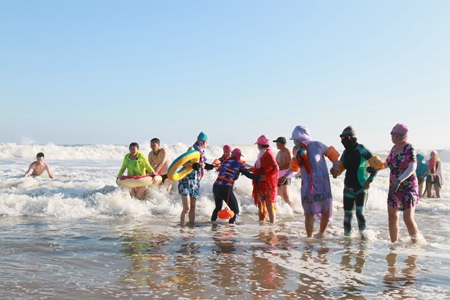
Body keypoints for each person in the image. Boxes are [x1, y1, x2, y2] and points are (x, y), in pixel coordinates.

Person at [279, 125, 340, 238]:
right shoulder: (298, 152)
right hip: (307, 186)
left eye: (296, 140)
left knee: (325, 210)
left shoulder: (317, 145)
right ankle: (309, 238)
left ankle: (321, 233)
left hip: (323, 186)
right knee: (308, 213)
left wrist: (336, 167)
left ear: (301, 138)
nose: (295, 143)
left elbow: (333, 155)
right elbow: (294, 168)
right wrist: (285, 177)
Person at [330, 126, 378, 238]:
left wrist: (370, 180)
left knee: (360, 213)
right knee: (347, 216)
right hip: (348, 187)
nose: (342, 141)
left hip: (361, 187)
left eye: (343, 138)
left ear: (350, 138)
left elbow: (376, 165)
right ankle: (347, 239)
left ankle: (364, 238)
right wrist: (334, 171)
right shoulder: (345, 153)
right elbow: (340, 169)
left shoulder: (362, 149)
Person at [383, 123, 420, 243]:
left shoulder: (410, 148)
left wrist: (399, 180)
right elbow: (387, 163)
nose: (391, 137)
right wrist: (374, 167)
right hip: (394, 186)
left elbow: (412, 167)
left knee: (407, 218)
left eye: (392, 135)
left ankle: (415, 244)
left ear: (398, 136)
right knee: (392, 217)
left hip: (408, 186)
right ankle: (394, 244)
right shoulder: (393, 149)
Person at [211, 148, 265, 224]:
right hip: (225, 188)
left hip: (215, 187)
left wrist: (243, 170)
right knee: (236, 211)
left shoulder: (225, 161)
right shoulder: (239, 164)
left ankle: (213, 226)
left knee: (218, 208)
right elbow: (249, 175)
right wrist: (261, 177)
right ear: (239, 156)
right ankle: (231, 228)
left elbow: (227, 170)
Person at [178, 132, 215, 227]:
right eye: (207, 142)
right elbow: (183, 163)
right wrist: (194, 165)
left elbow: (201, 165)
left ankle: (191, 229)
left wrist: (207, 166)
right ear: (203, 142)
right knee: (186, 208)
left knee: (193, 208)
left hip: (195, 181)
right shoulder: (192, 149)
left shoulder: (202, 152)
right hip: (186, 180)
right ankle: (182, 230)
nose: (207, 145)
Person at [251, 135, 279, 224]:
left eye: (258, 144)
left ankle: (272, 226)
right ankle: (262, 224)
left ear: (260, 145)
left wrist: (266, 176)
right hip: (261, 184)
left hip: (268, 184)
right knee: (261, 205)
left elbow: (276, 168)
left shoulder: (268, 154)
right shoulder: (261, 154)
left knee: (269, 205)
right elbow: (261, 168)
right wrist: (251, 170)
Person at [273, 136, 293, 207]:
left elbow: (291, 164)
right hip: (278, 176)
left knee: (286, 197)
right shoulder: (278, 153)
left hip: (285, 175)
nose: (276, 145)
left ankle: (292, 212)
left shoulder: (288, 151)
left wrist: (280, 167)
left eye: (277, 143)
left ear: (280, 143)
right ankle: (283, 213)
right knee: (279, 197)